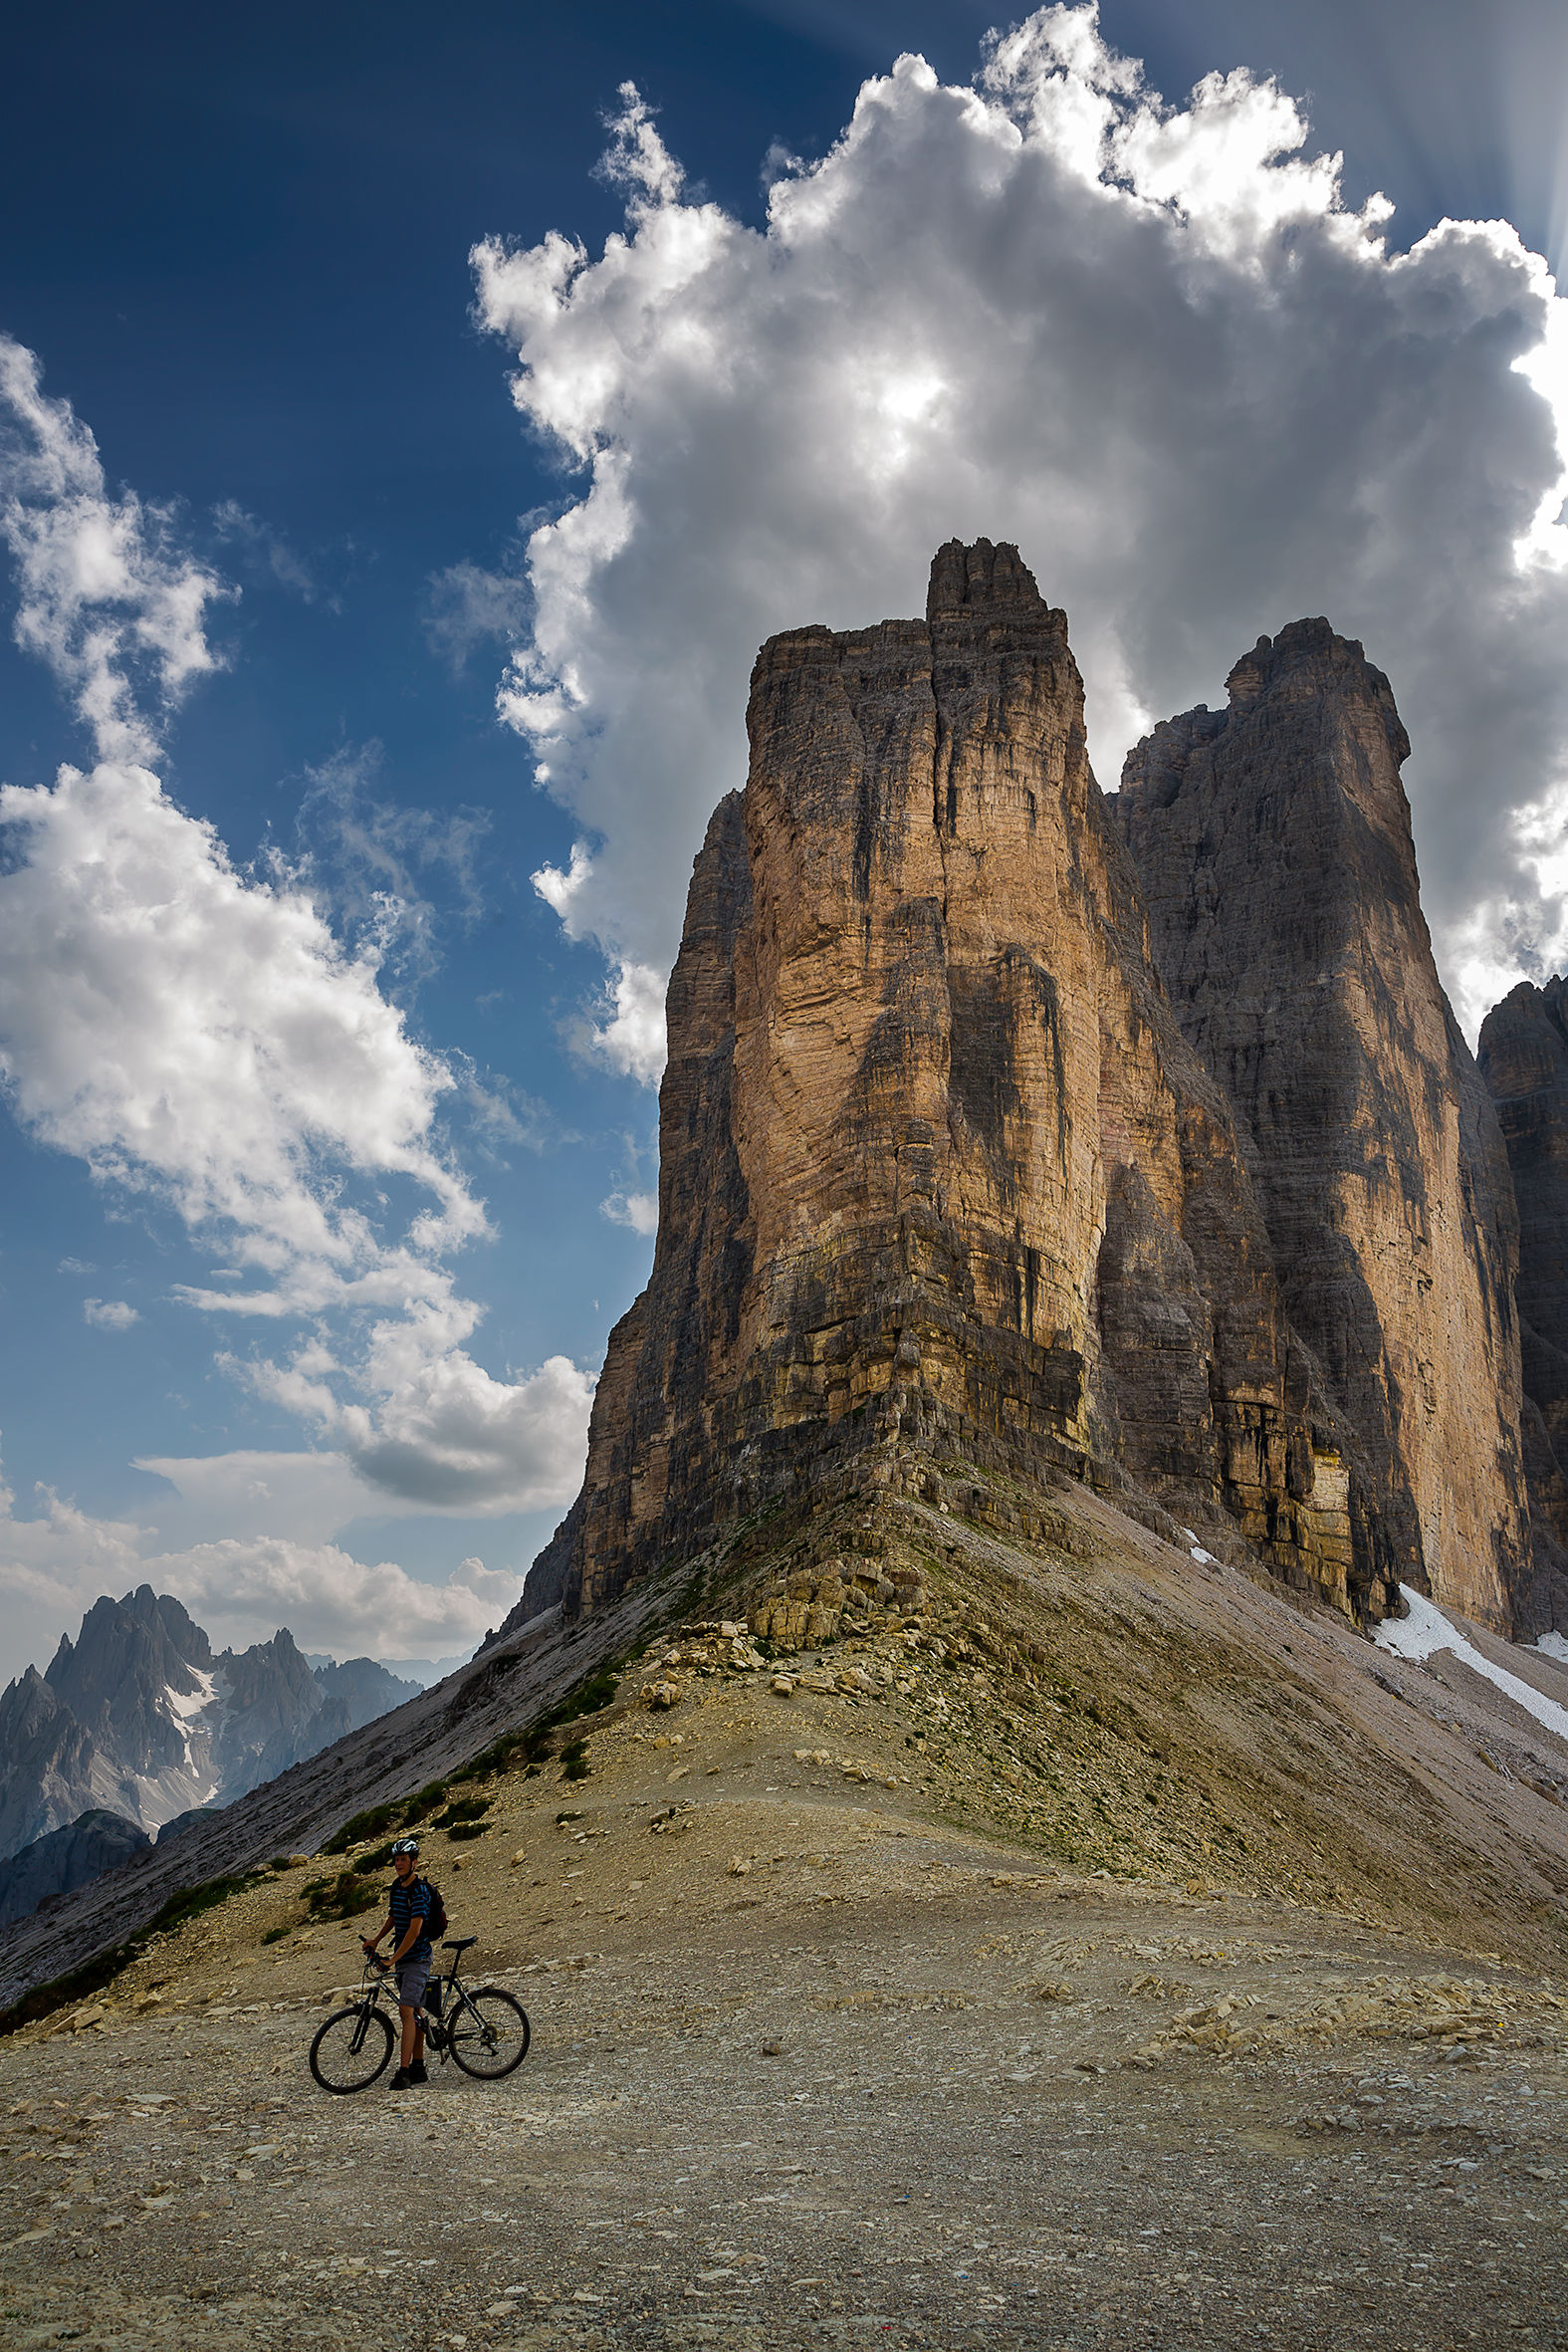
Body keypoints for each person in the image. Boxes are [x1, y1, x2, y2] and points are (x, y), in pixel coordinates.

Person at [361, 1835, 434, 2089]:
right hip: (404, 1957)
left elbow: (414, 1932)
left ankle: (404, 2073)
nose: (398, 1864)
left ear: (413, 1862)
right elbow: (394, 1916)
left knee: (406, 2010)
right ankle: (419, 2067)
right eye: (396, 1860)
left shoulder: (419, 1890)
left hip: (418, 1957)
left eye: (403, 1859)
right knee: (414, 2011)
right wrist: (376, 1939)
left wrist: (392, 1959)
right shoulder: (397, 1887)